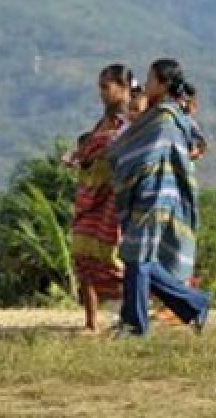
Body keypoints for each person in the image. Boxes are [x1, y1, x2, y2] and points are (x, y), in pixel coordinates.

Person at [108, 58, 211, 337]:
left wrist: (118, 156)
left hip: (155, 194)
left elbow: (143, 154)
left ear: (163, 84)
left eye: (151, 79)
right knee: (137, 257)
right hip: (149, 193)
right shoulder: (166, 114)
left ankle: (135, 325)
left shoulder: (164, 117)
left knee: (137, 258)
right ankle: (195, 303)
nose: (147, 83)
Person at [68, 64, 133, 332]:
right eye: (101, 88)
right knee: (84, 258)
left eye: (106, 87)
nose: (102, 93)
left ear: (123, 87)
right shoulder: (103, 121)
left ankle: (136, 312)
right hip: (92, 199)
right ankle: (91, 322)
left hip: (115, 199)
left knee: (115, 260)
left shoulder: (131, 119)